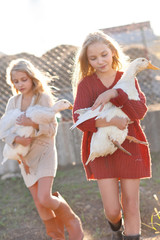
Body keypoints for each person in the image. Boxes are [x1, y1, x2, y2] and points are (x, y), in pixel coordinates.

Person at [72, 31, 151, 240]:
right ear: (87, 61)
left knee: (131, 204)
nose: (100, 61)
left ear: (113, 52)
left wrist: (115, 94)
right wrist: (111, 121)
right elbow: (80, 121)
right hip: (102, 149)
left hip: (129, 145)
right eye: (93, 58)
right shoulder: (86, 85)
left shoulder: (126, 79)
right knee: (113, 210)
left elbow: (139, 112)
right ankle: (117, 230)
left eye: (104, 54)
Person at [3, 58, 84, 240]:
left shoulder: (44, 98)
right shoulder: (12, 103)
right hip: (25, 158)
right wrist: (16, 139)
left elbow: (52, 129)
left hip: (45, 152)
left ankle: (72, 221)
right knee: (39, 204)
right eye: (16, 81)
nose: (20, 84)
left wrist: (32, 124)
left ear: (32, 78)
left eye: (23, 79)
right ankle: (57, 237)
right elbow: (4, 132)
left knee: (45, 197)